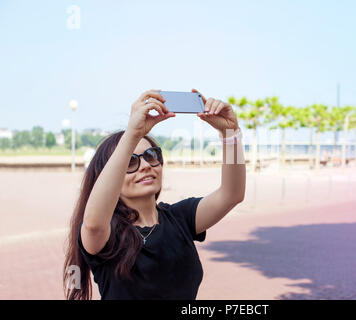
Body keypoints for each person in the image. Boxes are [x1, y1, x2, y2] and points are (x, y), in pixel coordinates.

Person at [63, 89, 246, 300]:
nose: (144, 166)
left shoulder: (181, 218)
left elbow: (232, 194)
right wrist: (132, 133)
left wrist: (230, 133)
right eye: (130, 161)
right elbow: (94, 223)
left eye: (151, 156)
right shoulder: (105, 233)